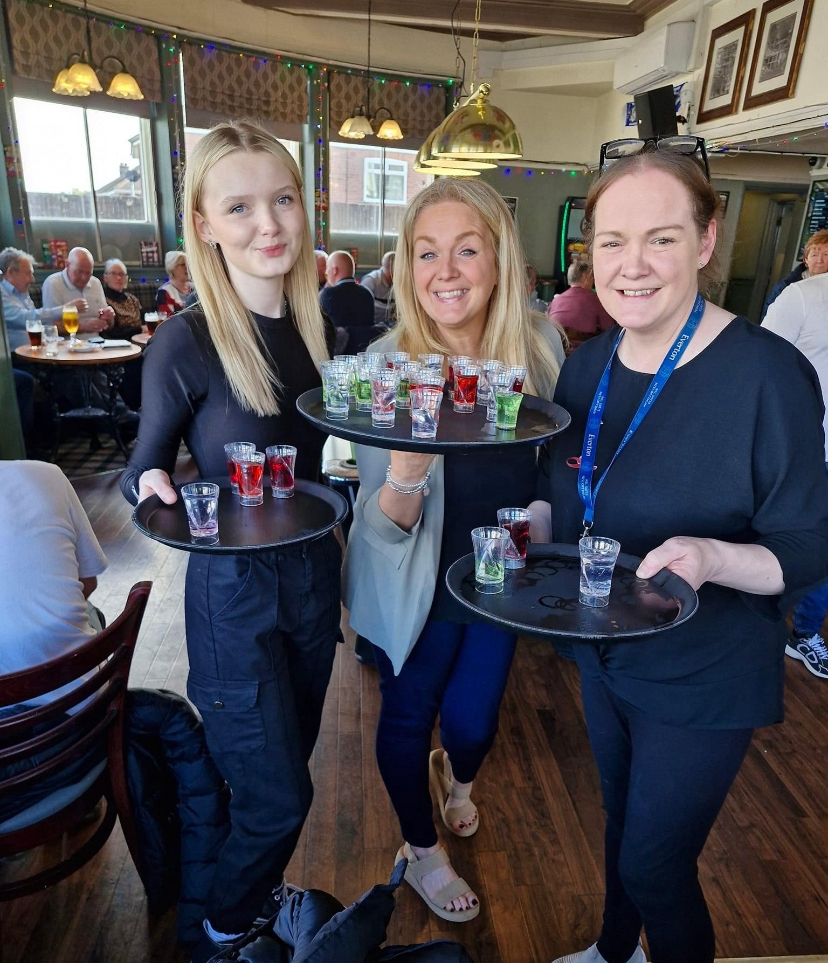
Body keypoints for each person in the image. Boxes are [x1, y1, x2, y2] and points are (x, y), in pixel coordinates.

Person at [532, 142, 828, 963]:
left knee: (657, 862)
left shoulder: (768, 375)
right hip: (605, 653)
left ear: (705, 242)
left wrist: (714, 554)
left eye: (661, 238)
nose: (632, 266)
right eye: (613, 242)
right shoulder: (586, 368)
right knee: (621, 822)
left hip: (705, 672)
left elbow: (808, 542)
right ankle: (613, 948)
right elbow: (561, 493)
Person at [119, 121, 340, 963]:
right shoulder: (186, 339)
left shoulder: (320, 329)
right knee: (280, 796)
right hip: (235, 599)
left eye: (282, 199)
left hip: (317, 584)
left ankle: (248, 901)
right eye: (240, 206)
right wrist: (150, 484)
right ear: (205, 224)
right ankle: (220, 935)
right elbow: (143, 462)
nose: (269, 223)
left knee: (274, 782)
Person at [342, 178, 563, 923]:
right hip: (413, 584)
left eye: (466, 249)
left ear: (498, 260)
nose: (446, 270)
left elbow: (557, 474)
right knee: (406, 721)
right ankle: (420, 850)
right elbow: (379, 528)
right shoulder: (385, 367)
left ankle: (459, 780)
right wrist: (406, 472)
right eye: (427, 252)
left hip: (498, 579)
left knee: (472, 725)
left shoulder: (539, 346)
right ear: (407, 267)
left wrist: (540, 526)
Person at [0, 460, 107, 821]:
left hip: (19, 762)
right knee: (91, 616)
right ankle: (81, 808)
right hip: (86, 726)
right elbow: (86, 583)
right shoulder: (46, 475)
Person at [763, 269, 828, 678]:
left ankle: (804, 632)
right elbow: (760, 369)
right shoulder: (802, 297)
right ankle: (779, 630)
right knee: (794, 547)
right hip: (807, 452)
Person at [0, 246, 87, 349]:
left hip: (35, 351)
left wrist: (51, 340)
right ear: (11, 272)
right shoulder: (2, 294)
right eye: (28, 274)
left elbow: (37, 325)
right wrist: (65, 309)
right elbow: (27, 319)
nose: (32, 280)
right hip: (15, 358)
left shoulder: (22, 292)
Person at [41, 246, 114, 336]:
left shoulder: (95, 283)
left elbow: (109, 326)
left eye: (88, 273)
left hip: (97, 344)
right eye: (78, 272)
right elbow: (49, 326)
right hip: (66, 345)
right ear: (67, 265)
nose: (84, 278)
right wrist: (82, 326)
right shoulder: (53, 283)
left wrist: (109, 318)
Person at [760, 228, 828, 321]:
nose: (820, 260)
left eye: (826, 254)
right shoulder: (786, 286)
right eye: (814, 255)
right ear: (806, 259)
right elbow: (768, 319)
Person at [547, 258, 615, 351]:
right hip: (583, 354)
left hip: (554, 353)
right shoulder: (597, 299)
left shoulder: (556, 301)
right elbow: (609, 331)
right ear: (585, 277)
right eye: (592, 277)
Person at [319, 249, 378, 354]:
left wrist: (326, 289)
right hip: (365, 353)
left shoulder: (328, 295)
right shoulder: (367, 293)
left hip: (338, 357)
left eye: (327, 269)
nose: (326, 273)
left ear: (334, 270)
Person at [102, 258, 143, 339]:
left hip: (142, 340)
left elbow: (144, 321)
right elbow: (113, 333)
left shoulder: (132, 299)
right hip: (120, 345)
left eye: (122, 274)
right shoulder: (103, 300)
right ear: (105, 278)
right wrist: (139, 329)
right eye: (113, 273)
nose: (118, 278)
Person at [361, 250, 395, 324]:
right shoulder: (371, 280)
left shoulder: (400, 284)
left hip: (391, 325)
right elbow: (360, 307)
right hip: (372, 327)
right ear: (392, 271)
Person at [156, 250, 192, 317]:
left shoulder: (195, 288)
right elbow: (168, 319)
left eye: (188, 264)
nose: (187, 267)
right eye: (183, 264)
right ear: (172, 267)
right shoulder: (164, 292)